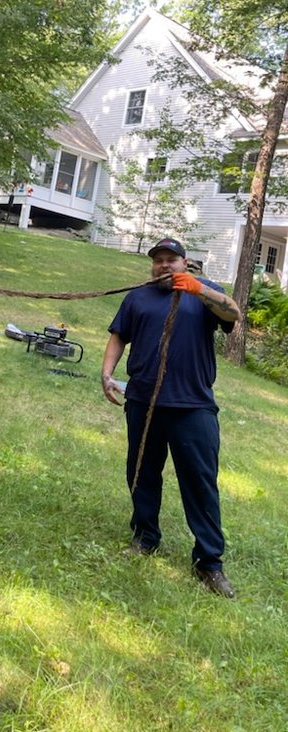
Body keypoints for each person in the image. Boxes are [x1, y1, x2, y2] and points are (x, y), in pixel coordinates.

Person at [101, 237, 241, 598]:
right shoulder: (138, 296)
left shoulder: (206, 292)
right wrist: (106, 372)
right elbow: (119, 336)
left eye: (171, 259)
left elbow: (233, 313)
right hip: (143, 403)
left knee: (200, 483)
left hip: (193, 406)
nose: (164, 265)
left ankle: (209, 563)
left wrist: (199, 291)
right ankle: (145, 538)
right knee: (141, 473)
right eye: (158, 260)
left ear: (184, 263)